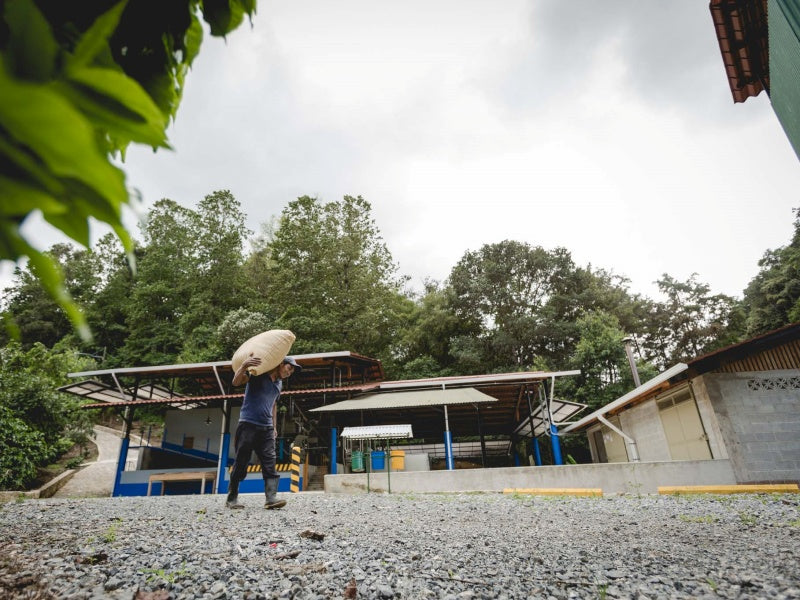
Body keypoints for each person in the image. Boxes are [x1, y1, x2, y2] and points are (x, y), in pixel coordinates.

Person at [225, 354, 302, 509]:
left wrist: (274, 426)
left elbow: (273, 404)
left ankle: (271, 498)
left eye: (292, 371)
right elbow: (236, 382)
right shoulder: (258, 375)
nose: (289, 373)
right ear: (280, 364)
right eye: (289, 368)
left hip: (266, 428)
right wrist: (244, 366)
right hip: (248, 424)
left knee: (270, 461)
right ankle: (231, 498)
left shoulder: (279, 384)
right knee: (241, 461)